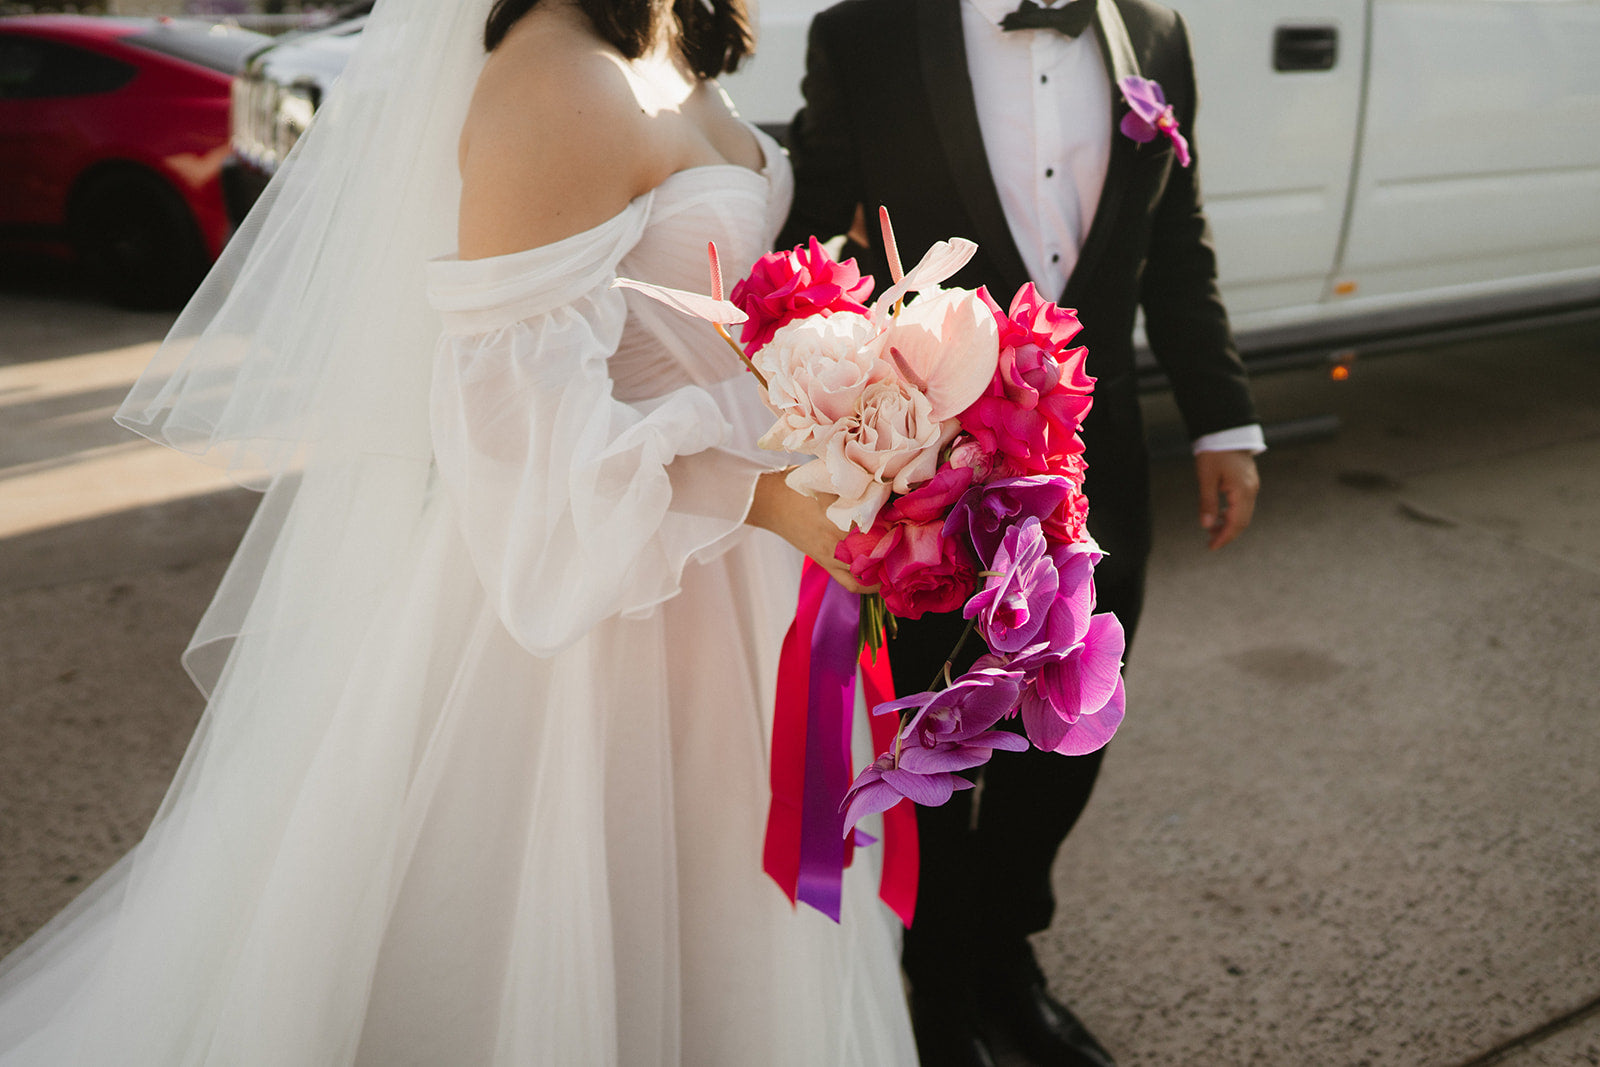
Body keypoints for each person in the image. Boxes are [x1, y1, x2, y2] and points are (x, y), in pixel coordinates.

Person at [0, 0, 916, 1062]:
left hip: (724, 578)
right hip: (597, 604)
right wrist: (764, 489)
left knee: (722, 926)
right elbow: (520, 447)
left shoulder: (677, 39)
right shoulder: (554, 77)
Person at [779, 0, 1264, 1064]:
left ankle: (1004, 957)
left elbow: (1173, 240)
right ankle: (932, 982)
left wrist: (1222, 416)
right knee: (931, 738)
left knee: (1066, 732)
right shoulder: (862, 34)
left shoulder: (1158, 32)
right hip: (929, 476)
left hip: (1103, 465)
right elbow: (809, 227)